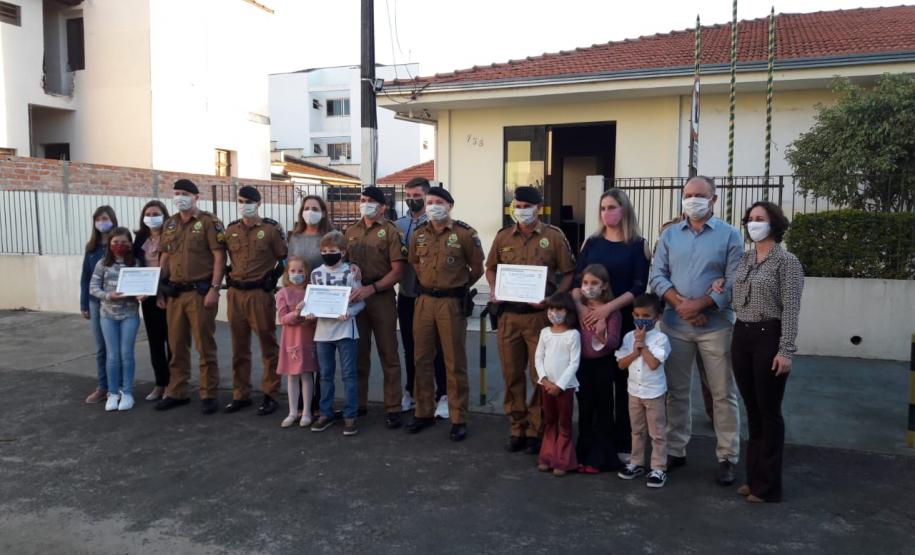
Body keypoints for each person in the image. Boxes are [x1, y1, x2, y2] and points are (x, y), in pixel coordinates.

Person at [648, 175, 743, 485]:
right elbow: (658, 276)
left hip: (715, 327)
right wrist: (683, 305)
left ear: (713, 199)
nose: (692, 199)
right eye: (688, 194)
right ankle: (676, 450)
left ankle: (727, 456)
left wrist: (702, 305)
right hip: (675, 325)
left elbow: (733, 280)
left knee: (722, 394)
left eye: (699, 195)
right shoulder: (670, 235)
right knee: (676, 393)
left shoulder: (730, 236)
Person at [485, 185, 575, 454]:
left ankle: (538, 428)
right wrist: (494, 288)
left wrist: (554, 299)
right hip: (509, 317)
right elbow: (490, 268)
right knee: (511, 374)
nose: (520, 210)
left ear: (538, 208)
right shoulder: (503, 237)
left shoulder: (554, 237)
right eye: (517, 205)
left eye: (526, 205)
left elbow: (568, 273)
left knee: (540, 375)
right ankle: (517, 427)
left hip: (539, 317)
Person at [729, 201, 804, 503]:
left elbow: (791, 309)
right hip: (742, 334)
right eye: (750, 219)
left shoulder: (787, 262)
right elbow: (739, 296)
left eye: (760, 218)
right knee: (752, 411)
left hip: (767, 335)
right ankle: (754, 477)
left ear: (774, 223)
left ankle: (769, 486)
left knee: (769, 411)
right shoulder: (746, 258)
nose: (753, 223)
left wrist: (785, 350)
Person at [572, 188, 650, 461]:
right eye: (603, 208)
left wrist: (607, 309)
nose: (607, 213)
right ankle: (593, 442)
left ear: (624, 209)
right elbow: (575, 283)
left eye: (612, 207)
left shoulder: (638, 245)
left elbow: (638, 287)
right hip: (589, 323)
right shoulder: (591, 243)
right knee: (594, 386)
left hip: (624, 322)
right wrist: (583, 310)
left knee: (623, 383)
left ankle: (624, 441)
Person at [403, 186, 484, 441]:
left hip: (451, 303)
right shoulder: (419, 234)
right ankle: (423, 411)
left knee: (454, 361)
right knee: (422, 357)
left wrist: (458, 285)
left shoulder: (465, 234)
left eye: (438, 202)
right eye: (430, 202)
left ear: (449, 205)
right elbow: (415, 263)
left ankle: (458, 417)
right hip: (424, 300)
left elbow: (477, 267)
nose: (433, 206)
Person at [155, 179, 227, 415]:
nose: (180, 197)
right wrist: (160, 286)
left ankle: (208, 393)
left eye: (185, 193)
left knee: (204, 346)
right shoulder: (171, 224)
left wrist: (215, 289)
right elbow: (165, 256)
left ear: (196, 197)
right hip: (175, 293)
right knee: (176, 345)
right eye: (176, 193)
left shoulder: (209, 222)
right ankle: (177, 391)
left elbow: (219, 257)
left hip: (200, 293)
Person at [344, 186, 405, 428]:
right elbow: (343, 262)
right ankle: (358, 403)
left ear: (382, 207)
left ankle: (393, 407)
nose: (365, 204)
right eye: (362, 200)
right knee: (358, 354)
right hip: (356, 297)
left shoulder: (391, 232)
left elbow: (398, 271)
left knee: (388, 354)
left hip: (381, 296)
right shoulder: (351, 231)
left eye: (370, 201)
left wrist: (374, 288)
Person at [223, 186, 287, 416]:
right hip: (235, 294)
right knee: (239, 348)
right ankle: (241, 394)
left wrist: (273, 278)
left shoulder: (270, 229)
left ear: (259, 203)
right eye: (241, 200)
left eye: (249, 201)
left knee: (267, 345)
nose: (245, 205)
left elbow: (284, 258)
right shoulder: (230, 230)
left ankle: (270, 393)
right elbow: (223, 257)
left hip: (260, 294)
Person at [395, 177, 448, 417]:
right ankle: (412, 390)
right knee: (410, 347)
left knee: (436, 349)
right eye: (409, 195)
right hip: (407, 294)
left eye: (417, 196)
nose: (412, 200)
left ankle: (442, 394)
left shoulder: (437, 223)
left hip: (433, 296)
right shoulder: (398, 225)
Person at [307, 231, 365, 436]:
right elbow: (311, 300)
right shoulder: (315, 273)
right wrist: (309, 312)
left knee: (349, 375)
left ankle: (350, 416)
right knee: (325, 375)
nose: (327, 254)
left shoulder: (351, 273)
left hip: (345, 332)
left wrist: (349, 312)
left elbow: (360, 302)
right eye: (324, 251)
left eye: (332, 251)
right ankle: (325, 413)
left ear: (342, 252)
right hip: (322, 333)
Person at [615, 293, 672, 488]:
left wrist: (643, 346)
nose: (641, 320)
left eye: (647, 316)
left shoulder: (661, 339)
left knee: (657, 432)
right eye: (638, 315)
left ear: (657, 317)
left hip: (654, 393)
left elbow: (654, 364)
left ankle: (658, 467)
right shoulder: (628, 337)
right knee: (637, 430)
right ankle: (637, 462)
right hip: (634, 392)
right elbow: (621, 364)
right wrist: (634, 351)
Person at [288, 195, 336, 416]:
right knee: (300, 349)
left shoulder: (330, 237)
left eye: (315, 208)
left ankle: (318, 402)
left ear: (323, 212)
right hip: (299, 299)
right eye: (306, 208)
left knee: (321, 353)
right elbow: (291, 267)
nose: (310, 212)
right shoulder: (295, 237)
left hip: (322, 299)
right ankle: (299, 404)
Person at [575, 264, 622, 473]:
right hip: (581, 364)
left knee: (603, 409)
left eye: (594, 283)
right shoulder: (578, 307)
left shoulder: (612, 312)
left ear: (604, 286)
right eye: (586, 282)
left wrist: (602, 334)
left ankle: (601, 456)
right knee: (585, 409)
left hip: (603, 365)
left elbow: (614, 342)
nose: (589, 287)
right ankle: (582, 454)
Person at [89, 227, 141, 412]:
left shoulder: (135, 263)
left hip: (129, 315)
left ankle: (126, 392)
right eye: (115, 242)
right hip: (108, 316)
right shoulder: (102, 263)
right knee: (112, 355)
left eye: (123, 242)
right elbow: (93, 288)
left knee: (126, 354)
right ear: (109, 244)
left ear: (130, 244)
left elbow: (143, 285)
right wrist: (110, 296)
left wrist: (143, 295)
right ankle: (112, 393)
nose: (119, 246)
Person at [534, 292, 581, 477]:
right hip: (546, 385)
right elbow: (538, 357)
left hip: (564, 388)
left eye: (559, 309)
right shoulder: (545, 332)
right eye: (551, 308)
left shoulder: (573, 335)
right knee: (550, 420)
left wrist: (560, 385)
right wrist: (544, 379)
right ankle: (547, 456)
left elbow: (574, 363)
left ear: (568, 311)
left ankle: (563, 460)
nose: (554, 313)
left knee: (564, 422)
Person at [133, 200, 171, 401]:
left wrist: (162, 293)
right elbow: (135, 266)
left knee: (173, 341)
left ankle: (173, 384)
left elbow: (172, 267)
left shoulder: (172, 236)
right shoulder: (139, 238)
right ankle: (160, 383)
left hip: (169, 294)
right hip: (147, 296)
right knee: (155, 342)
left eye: (156, 213)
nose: (151, 217)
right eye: (148, 214)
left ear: (164, 215)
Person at [81, 205, 118, 403]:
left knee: (117, 347)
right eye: (98, 219)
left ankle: (119, 386)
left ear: (112, 219)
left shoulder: (118, 244)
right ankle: (103, 386)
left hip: (117, 301)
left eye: (104, 218)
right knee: (101, 347)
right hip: (96, 302)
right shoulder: (91, 248)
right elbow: (85, 278)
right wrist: (84, 304)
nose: (101, 222)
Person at [275, 257, 318, 428]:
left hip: (308, 338)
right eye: (293, 271)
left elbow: (316, 316)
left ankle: (306, 412)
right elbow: (283, 318)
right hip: (291, 340)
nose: (297, 274)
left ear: (306, 273)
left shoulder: (312, 292)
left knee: (307, 375)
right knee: (292, 376)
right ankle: (293, 411)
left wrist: (311, 318)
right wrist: (297, 313)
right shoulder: (282, 293)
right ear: (287, 273)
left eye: (300, 271)